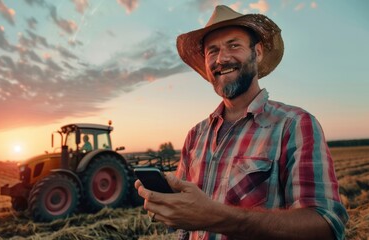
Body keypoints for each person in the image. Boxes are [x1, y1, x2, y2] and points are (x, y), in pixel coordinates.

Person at [135, 5, 348, 240]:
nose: (221, 58)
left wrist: (216, 217)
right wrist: (167, 208)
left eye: (233, 45)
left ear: (256, 52)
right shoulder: (195, 136)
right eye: (212, 51)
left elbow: (325, 226)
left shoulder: (294, 125)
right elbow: (186, 226)